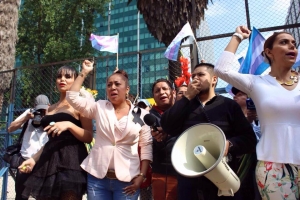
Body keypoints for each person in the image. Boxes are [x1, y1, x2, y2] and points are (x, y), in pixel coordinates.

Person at [215, 25, 300, 200]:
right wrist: (237, 36)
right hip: (273, 167)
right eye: (284, 42)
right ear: (269, 52)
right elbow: (221, 70)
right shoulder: (257, 83)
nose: (292, 46)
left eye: (294, 43)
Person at [160, 62, 257, 200]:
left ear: (214, 79)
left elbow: (249, 139)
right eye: (193, 76)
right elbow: (167, 126)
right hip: (190, 180)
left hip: (221, 179)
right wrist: (187, 97)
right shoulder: (185, 106)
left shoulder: (228, 105)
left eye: (201, 75)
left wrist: (229, 144)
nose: (195, 79)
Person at [66, 60, 153, 200]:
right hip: (97, 178)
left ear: (127, 89)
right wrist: (84, 72)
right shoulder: (99, 107)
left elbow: (146, 147)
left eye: (117, 84)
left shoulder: (141, 114)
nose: (113, 87)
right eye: (109, 85)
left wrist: (142, 176)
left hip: (128, 179)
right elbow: (72, 97)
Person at [18, 66, 93, 200]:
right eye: (59, 76)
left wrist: (69, 125)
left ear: (76, 81)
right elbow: (51, 141)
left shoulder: (81, 105)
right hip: (48, 162)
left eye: (68, 77)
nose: (62, 79)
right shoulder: (50, 108)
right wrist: (33, 159)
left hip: (72, 162)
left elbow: (88, 136)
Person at [8, 94, 50, 200]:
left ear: (49, 106)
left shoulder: (53, 115)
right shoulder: (29, 112)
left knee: (43, 196)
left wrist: (47, 118)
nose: (40, 112)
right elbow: (10, 128)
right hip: (25, 160)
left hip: (42, 163)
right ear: (34, 106)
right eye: (39, 109)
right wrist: (26, 118)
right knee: (21, 196)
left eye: (43, 109)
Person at [231, 87, 261, 200]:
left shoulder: (264, 117)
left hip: (256, 164)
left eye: (239, 94)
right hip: (238, 166)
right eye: (235, 95)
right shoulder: (231, 119)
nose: (235, 97)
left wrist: (254, 121)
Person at [150, 78, 178, 200]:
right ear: (154, 97)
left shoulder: (185, 112)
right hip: (162, 171)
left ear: (173, 92)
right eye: (157, 91)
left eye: (165, 89)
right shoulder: (149, 117)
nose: (161, 92)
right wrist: (159, 139)